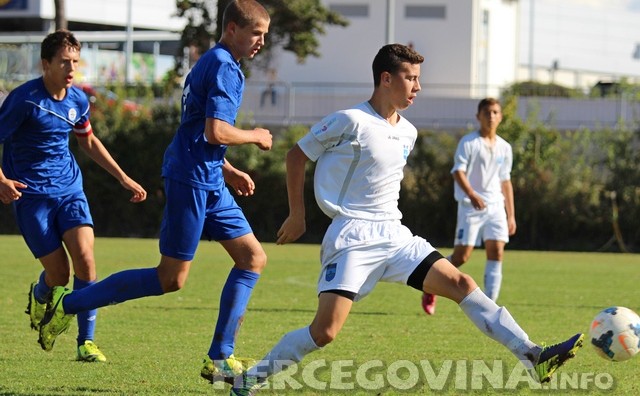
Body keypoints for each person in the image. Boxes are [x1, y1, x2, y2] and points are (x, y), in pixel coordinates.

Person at [229, 44, 583, 395]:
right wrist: (297, 214)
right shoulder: (350, 120)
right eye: (410, 78)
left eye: (418, 79)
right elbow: (296, 156)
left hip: (395, 235)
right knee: (324, 332)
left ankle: (532, 355)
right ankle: (248, 382)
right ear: (386, 79)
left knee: (461, 283)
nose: (418, 87)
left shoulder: (408, 132)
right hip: (352, 235)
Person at [35, 0, 272, 384]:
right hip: (191, 181)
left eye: (264, 33)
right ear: (232, 30)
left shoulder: (214, 62)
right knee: (170, 279)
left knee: (252, 259)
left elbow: (197, 127)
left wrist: (225, 168)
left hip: (208, 176)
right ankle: (71, 303)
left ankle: (220, 356)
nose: (261, 40)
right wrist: (256, 136)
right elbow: (216, 131)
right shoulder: (224, 66)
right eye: (256, 33)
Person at [0, 29, 148, 362]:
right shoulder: (23, 100)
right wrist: (2, 180)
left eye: (75, 62)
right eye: (64, 62)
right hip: (31, 196)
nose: (71, 69)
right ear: (46, 64)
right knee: (59, 275)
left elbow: (88, 141)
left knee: (86, 259)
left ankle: (86, 342)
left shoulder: (78, 99)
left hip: (69, 190)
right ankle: (40, 295)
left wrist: (123, 177)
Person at [422, 97, 515, 315]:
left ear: (500, 116)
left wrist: (511, 215)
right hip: (470, 206)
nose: (491, 116)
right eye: (487, 113)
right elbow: (458, 171)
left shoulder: (505, 147)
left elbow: (505, 181)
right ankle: (429, 284)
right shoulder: (469, 142)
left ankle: (490, 305)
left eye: (495, 112)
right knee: (462, 256)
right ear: (478, 116)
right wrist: (472, 194)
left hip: (495, 207)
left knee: (497, 251)